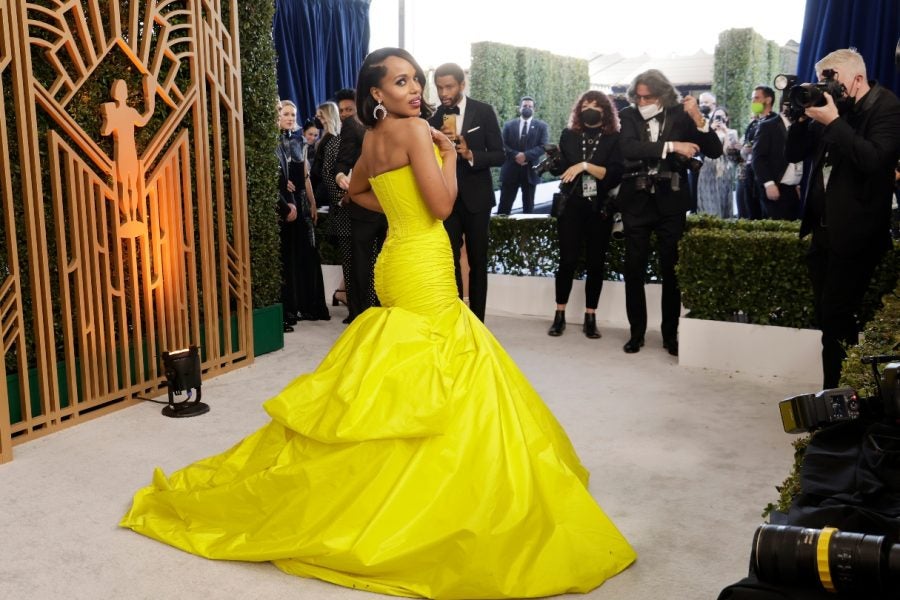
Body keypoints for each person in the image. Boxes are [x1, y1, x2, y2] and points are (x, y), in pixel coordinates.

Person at [121, 47, 636, 599]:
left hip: (395, 258)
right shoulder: (416, 131)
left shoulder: (371, 138)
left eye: (415, 79)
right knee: (444, 359)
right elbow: (442, 208)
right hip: (423, 260)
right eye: (400, 81)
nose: (414, 89)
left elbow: (357, 190)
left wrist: (398, 205)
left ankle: (393, 472)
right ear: (376, 94)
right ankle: (422, 492)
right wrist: (445, 153)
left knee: (409, 361)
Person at [785, 48, 900, 388]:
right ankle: (844, 395)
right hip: (823, 232)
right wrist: (803, 117)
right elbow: (793, 154)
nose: (826, 87)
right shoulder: (834, 108)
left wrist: (833, 122)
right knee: (829, 319)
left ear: (858, 78)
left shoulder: (888, 108)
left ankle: (837, 402)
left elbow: (874, 160)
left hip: (857, 234)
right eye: (822, 80)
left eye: (832, 80)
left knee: (836, 317)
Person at [618, 69, 723, 356]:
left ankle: (670, 335)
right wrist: (672, 146)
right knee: (634, 270)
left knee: (671, 272)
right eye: (638, 97)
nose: (642, 102)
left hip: (671, 202)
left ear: (662, 95)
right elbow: (628, 148)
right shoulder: (628, 115)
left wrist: (699, 119)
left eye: (648, 97)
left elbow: (714, 150)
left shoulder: (680, 113)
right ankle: (636, 333)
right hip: (636, 203)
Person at [428, 63, 504, 322]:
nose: (443, 92)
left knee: (477, 261)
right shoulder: (432, 118)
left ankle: (478, 322)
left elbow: (500, 154)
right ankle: (456, 320)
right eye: (439, 87)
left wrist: (471, 154)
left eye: (449, 86)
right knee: (448, 263)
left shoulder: (483, 111)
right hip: (446, 199)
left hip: (477, 198)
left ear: (462, 85)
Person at [547, 91, 623, 339]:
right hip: (571, 205)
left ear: (605, 110)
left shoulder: (614, 138)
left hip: (599, 207)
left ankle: (591, 316)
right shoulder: (569, 135)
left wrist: (585, 166)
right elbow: (561, 169)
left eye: (595, 105)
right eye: (585, 104)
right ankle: (559, 315)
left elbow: (612, 174)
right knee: (567, 260)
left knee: (595, 263)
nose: (589, 109)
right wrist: (554, 162)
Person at [275, 100, 330, 324]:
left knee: (307, 252)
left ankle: (308, 306)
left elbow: (305, 176)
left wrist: (313, 202)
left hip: (301, 203)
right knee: (288, 256)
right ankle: (291, 307)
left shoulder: (299, 141)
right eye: (286, 113)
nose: (289, 117)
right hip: (285, 204)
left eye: (293, 114)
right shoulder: (273, 142)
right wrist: (281, 184)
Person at [334, 87, 385, 324]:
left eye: (349, 109)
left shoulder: (400, 118)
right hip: (363, 202)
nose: (345, 114)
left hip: (394, 204)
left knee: (389, 260)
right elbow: (343, 161)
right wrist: (340, 176)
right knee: (361, 262)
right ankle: (362, 314)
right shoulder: (353, 125)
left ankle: (387, 310)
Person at [309, 102, 351, 308]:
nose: (318, 119)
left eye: (321, 115)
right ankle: (345, 294)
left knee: (350, 254)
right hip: (328, 200)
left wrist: (337, 199)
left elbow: (327, 175)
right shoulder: (327, 140)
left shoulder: (333, 140)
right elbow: (324, 174)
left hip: (334, 201)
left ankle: (345, 294)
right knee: (348, 253)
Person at [752, 98, 803, 221]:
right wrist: (769, 184)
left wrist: (800, 185)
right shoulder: (767, 126)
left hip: (795, 190)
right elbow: (758, 158)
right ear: (785, 107)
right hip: (775, 188)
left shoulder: (803, 127)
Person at [497, 96, 549, 214]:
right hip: (510, 170)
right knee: (504, 206)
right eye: (525, 106)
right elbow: (502, 144)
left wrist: (525, 156)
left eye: (530, 106)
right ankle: (501, 232)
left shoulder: (542, 126)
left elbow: (543, 146)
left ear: (534, 109)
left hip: (530, 171)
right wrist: (516, 155)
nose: (527, 108)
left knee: (528, 207)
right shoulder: (509, 125)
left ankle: (527, 233)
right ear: (519, 108)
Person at [737, 86, 777, 220]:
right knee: (751, 214)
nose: (753, 102)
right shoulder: (753, 124)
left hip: (766, 175)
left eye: (757, 98)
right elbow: (745, 149)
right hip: (749, 173)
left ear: (768, 100)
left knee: (766, 214)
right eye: (752, 98)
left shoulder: (776, 122)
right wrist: (743, 150)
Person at [696, 107, 741, 218]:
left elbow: (727, 152)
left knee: (723, 196)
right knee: (707, 197)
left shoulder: (732, 132)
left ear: (726, 118)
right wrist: (711, 130)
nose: (719, 119)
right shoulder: (708, 131)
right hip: (707, 167)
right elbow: (701, 148)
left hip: (724, 168)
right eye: (717, 116)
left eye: (722, 117)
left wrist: (726, 134)